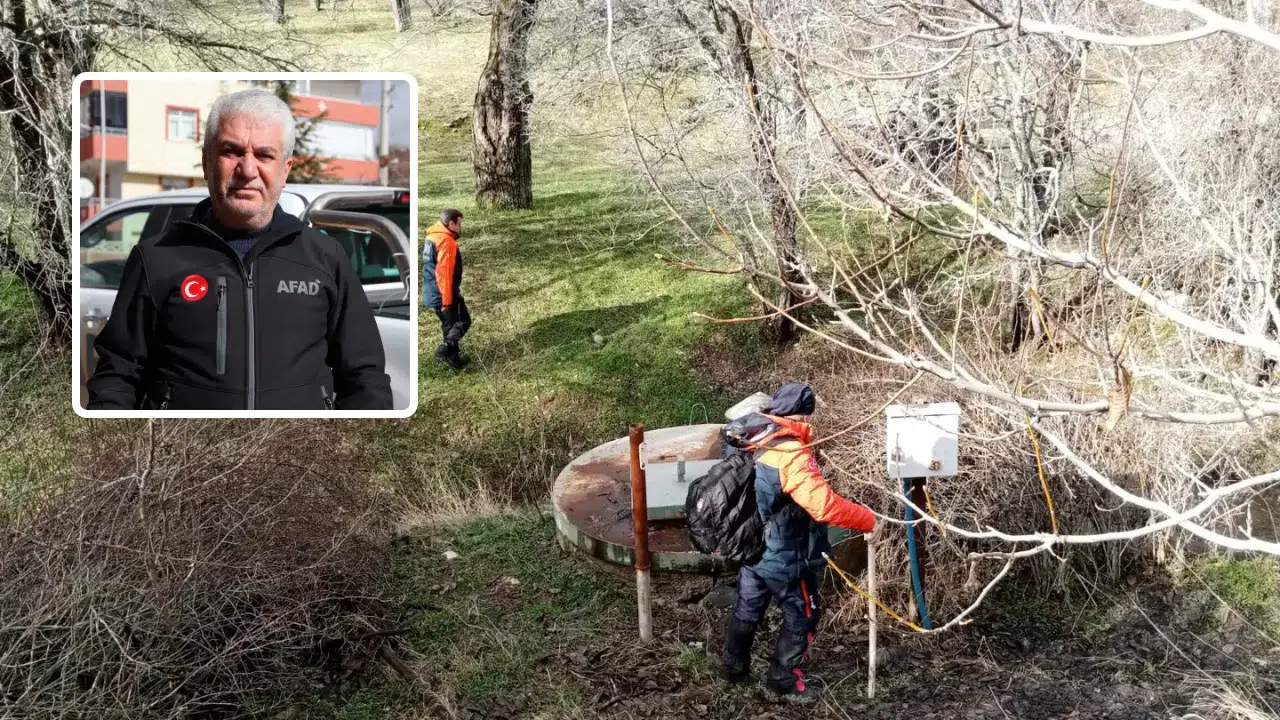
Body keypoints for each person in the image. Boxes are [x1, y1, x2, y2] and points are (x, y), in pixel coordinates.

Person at [86, 88, 393, 411]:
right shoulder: (156, 258)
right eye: (231, 151)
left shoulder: (324, 257)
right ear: (207, 162)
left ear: (285, 170)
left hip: (300, 442)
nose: (247, 170)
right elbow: (117, 377)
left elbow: (365, 378)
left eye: (264, 155)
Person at [719, 382, 877, 704]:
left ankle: (732, 670)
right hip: (787, 556)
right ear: (804, 415)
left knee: (747, 608)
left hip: (750, 548)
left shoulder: (748, 438)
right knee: (803, 615)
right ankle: (783, 681)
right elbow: (823, 506)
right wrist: (868, 520)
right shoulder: (790, 453)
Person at [422, 208, 470, 370]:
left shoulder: (432, 236)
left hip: (432, 290)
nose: (460, 228)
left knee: (449, 324)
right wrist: (447, 301)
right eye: (459, 224)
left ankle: (454, 359)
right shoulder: (446, 242)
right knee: (464, 321)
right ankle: (445, 349)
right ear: (451, 223)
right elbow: (445, 274)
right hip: (444, 292)